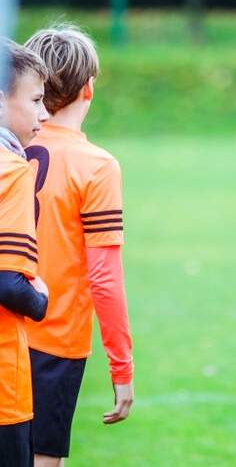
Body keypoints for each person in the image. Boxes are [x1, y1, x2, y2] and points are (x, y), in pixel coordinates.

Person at [24, 25, 134, 466]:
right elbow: (104, 278)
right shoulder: (96, 166)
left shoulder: (9, 149)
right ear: (89, 88)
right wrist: (121, 366)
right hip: (54, 343)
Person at [0, 39, 50, 466]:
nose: (44, 113)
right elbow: (8, 284)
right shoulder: (12, 169)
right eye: (35, 100)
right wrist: (41, 299)